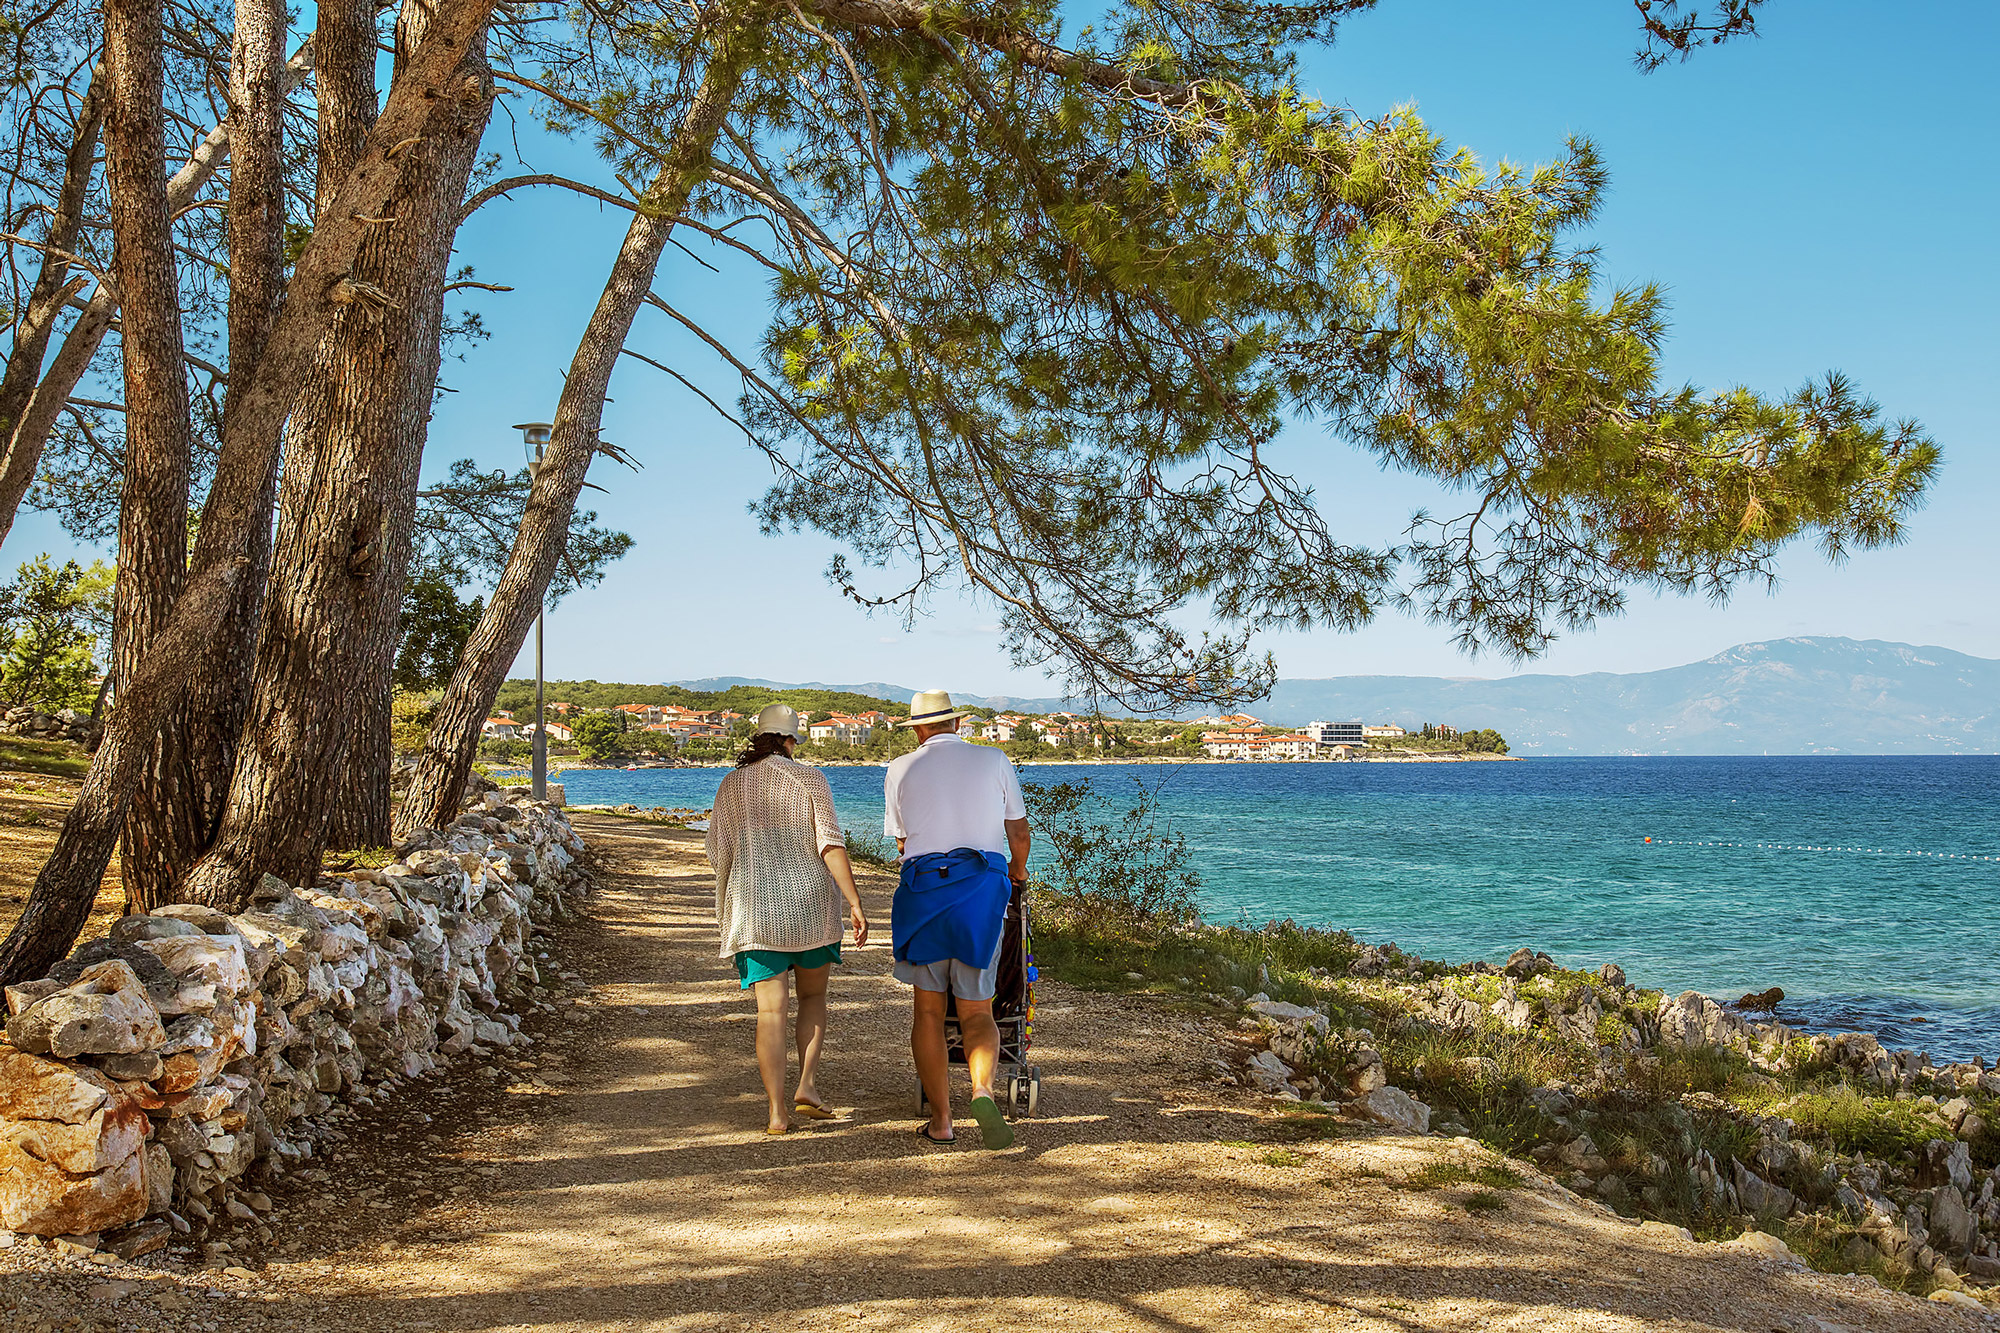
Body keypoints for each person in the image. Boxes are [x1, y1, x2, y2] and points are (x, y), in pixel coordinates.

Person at [706, 703, 869, 1135]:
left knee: (770, 1013)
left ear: (759, 737)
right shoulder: (810, 778)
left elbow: (717, 849)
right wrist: (853, 901)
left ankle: (777, 1112)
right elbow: (830, 845)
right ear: (791, 740)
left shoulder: (732, 784)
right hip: (810, 906)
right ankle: (808, 1086)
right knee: (813, 1000)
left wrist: (733, 891)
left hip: (756, 909)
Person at [884, 689, 1031, 1149]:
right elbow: (1019, 832)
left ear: (919, 729)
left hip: (924, 896)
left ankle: (942, 1122)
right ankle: (983, 1089)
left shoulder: (900, 768)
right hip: (979, 896)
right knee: (977, 1008)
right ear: (957, 725)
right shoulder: (994, 760)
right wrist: (1018, 871)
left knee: (928, 1012)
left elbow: (904, 844)